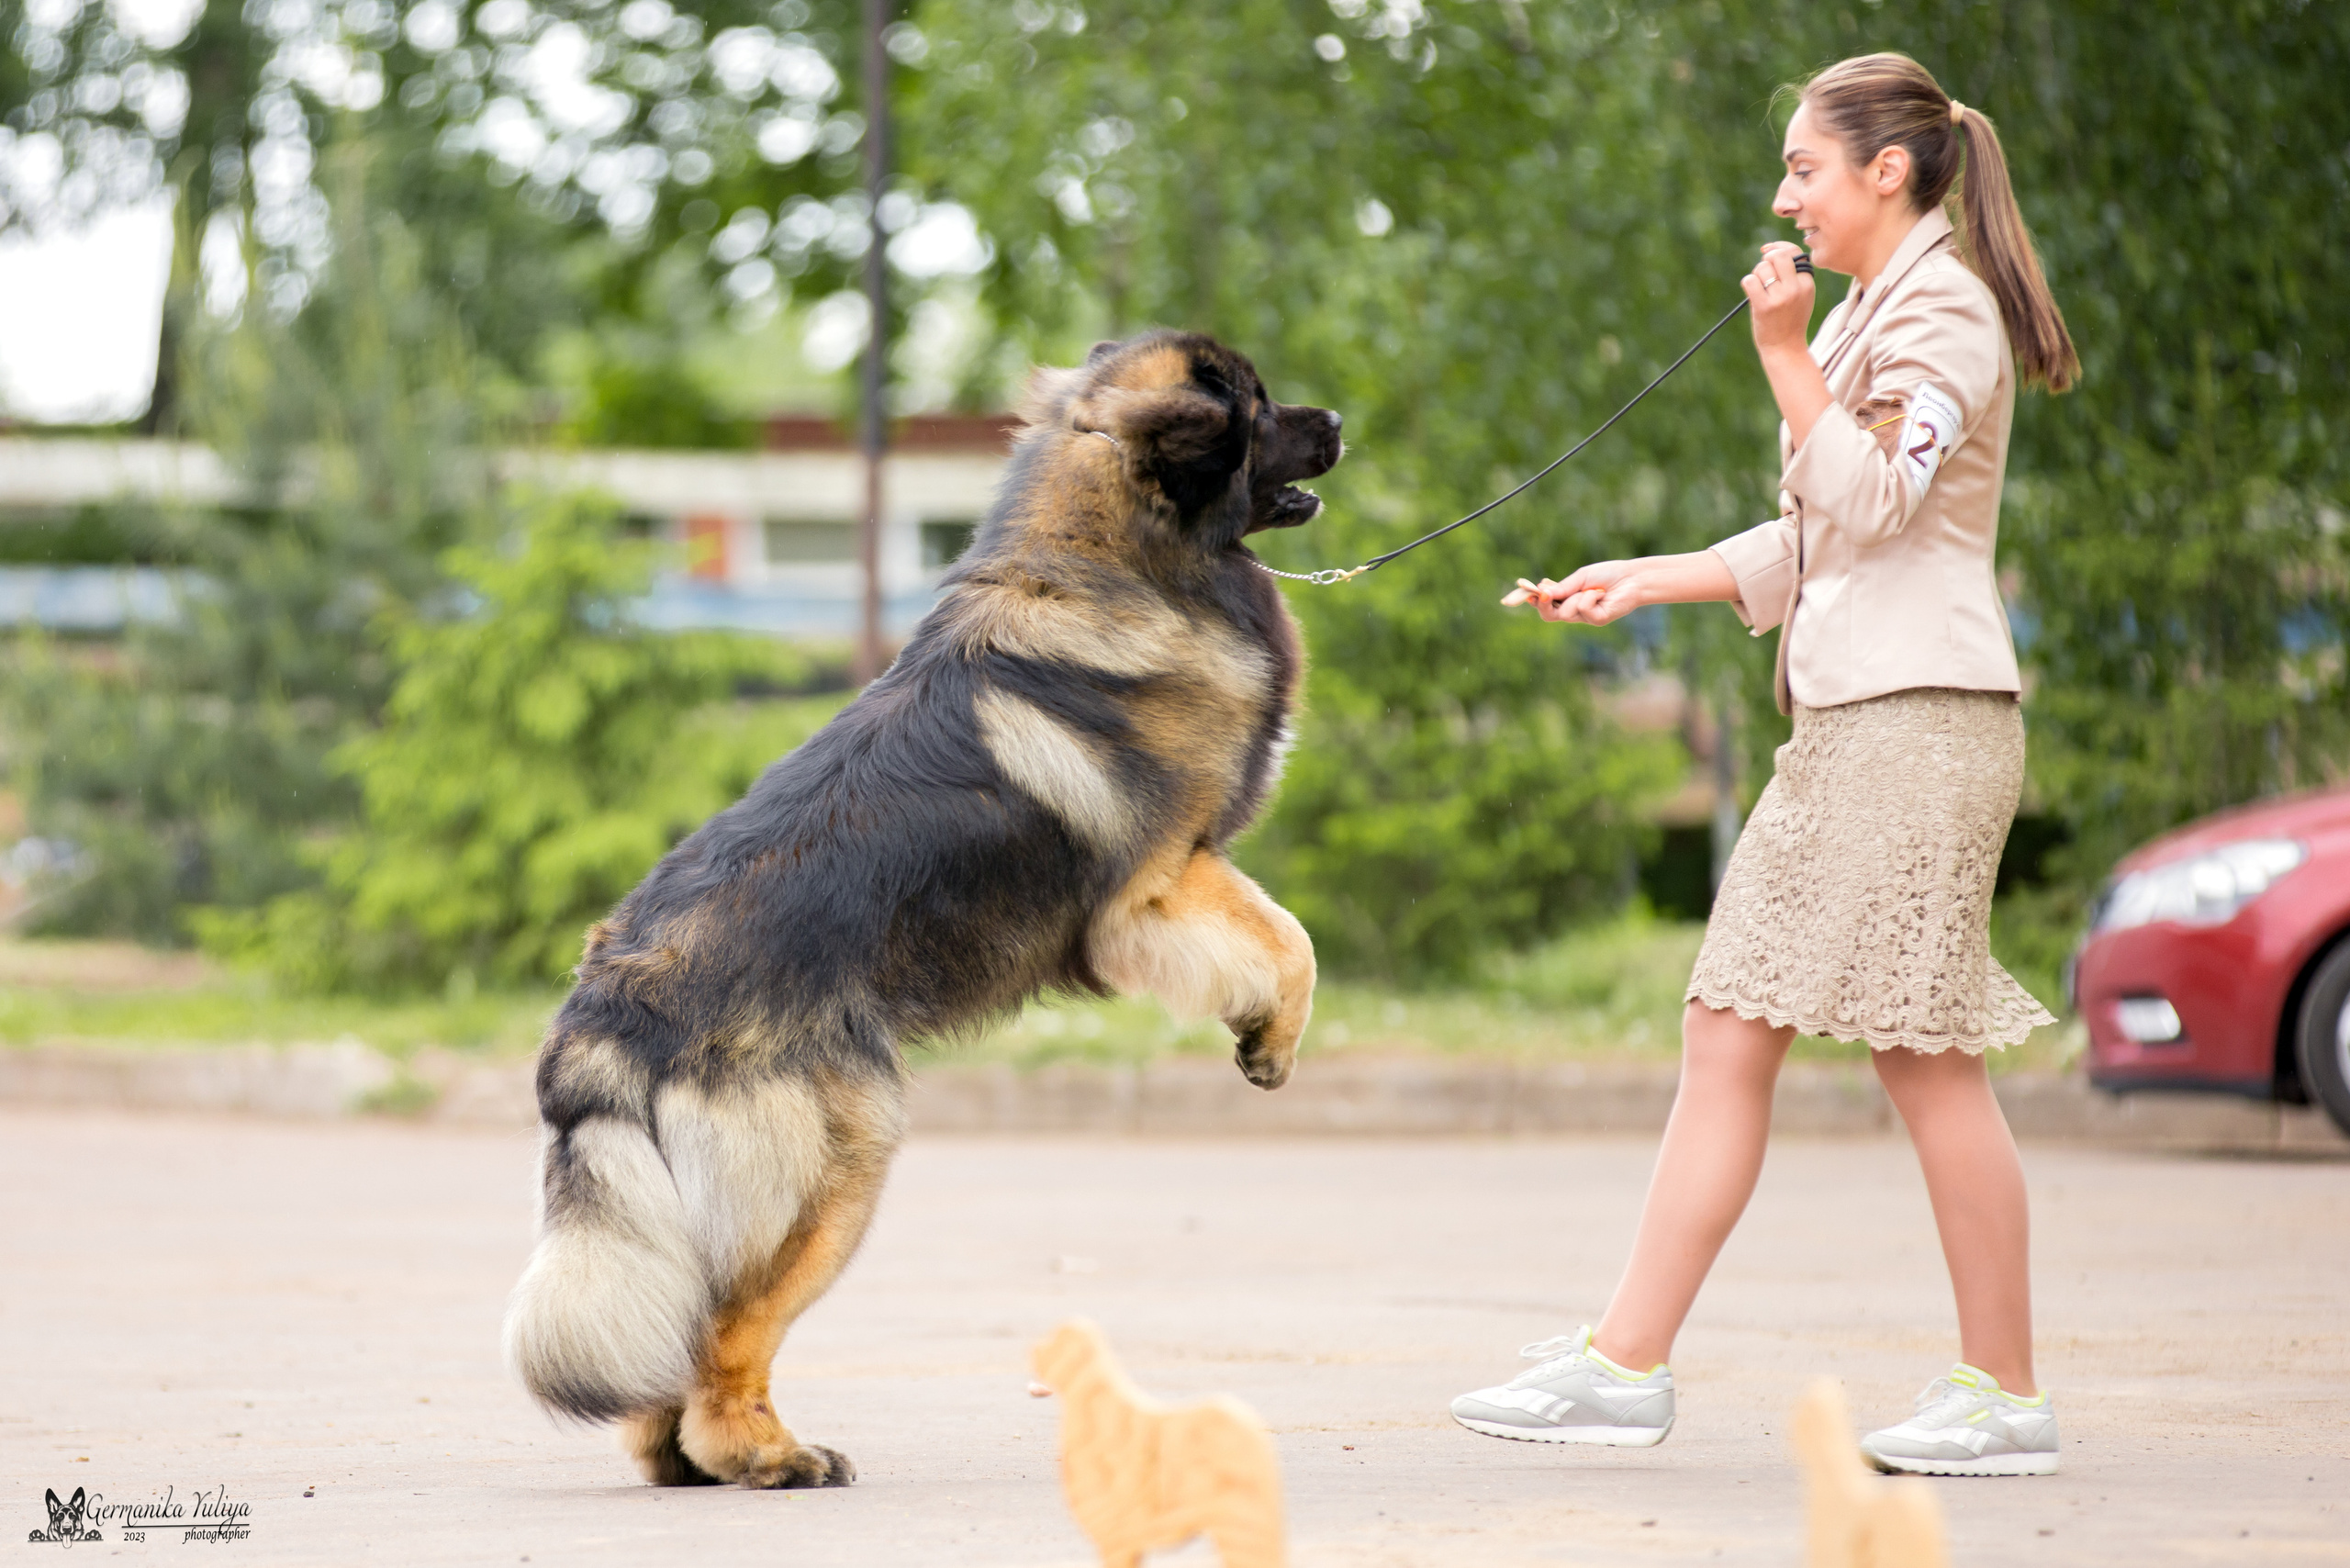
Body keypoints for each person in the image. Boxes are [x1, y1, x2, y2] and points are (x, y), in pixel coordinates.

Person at [1460, 52, 2080, 1477]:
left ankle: (1987, 1390)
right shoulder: (1881, 312)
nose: (1784, 194)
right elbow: (1815, 539)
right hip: (1868, 727)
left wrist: (1787, 357)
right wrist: (1644, 579)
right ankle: (1638, 1360)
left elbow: (1871, 501)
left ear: (1889, 172)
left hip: (1914, 730)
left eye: (1805, 167)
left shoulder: (1942, 317)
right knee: (1769, 1036)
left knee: (1895, 1056)